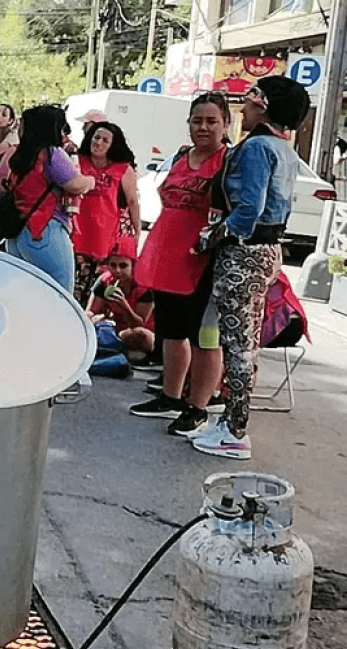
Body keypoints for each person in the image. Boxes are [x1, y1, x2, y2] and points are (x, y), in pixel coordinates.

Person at [188, 76, 311, 460]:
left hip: (244, 252)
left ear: (262, 104)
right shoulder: (283, 147)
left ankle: (234, 429)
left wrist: (211, 239)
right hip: (268, 250)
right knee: (244, 340)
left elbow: (248, 210)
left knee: (238, 344)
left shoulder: (257, 147)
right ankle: (230, 422)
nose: (242, 108)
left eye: (249, 100)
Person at [129, 92, 229, 436]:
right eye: (197, 120)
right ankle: (170, 396)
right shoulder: (181, 158)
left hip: (203, 260)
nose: (203, 127)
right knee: (170, 331)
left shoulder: (228, 162)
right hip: (166, 256)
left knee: (204, 337)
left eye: (211, 120)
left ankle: (198, 406)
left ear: (226, 124)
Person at [0, 105, 94, 291]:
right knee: (60, 294)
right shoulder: (51, 154)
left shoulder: (18, 154)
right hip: (44, 231)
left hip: (16, 235)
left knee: (24, 296)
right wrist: (90, 181)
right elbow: (74, 184)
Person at [73, 121, 141, 307]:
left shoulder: (123, 169)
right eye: (96, 137)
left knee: (98, 294)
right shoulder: (77, 162)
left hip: (108, 240)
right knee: (74, 288)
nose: (99, 143)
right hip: (79, 235)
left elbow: (132, 201)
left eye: (105, 140)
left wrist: (136, 230)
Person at [86, 236, 154, 354]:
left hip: (141, 332)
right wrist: (91, 318)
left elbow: (139, 323)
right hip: (115, 329)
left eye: (123, 266)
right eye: (113, 265)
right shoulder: (104, 281)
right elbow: (92, 311)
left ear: (133, 265)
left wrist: (124, 306)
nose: (117, 271)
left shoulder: (144, 287)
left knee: (141, 334)